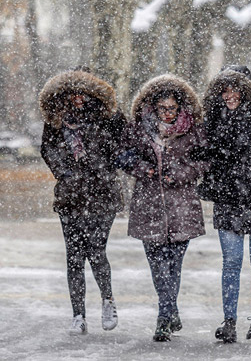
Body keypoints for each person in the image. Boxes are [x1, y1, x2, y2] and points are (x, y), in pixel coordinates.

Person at [193, 66, 251, 343]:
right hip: (228, 199)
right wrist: (209, 160)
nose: (229, 94)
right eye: (224, 89)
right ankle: (229, 322)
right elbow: (203, 156)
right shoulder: (211, 120)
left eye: (235, 88)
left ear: (246, 90)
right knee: (231, 263)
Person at [119, 74, 207, 342]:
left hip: (182, 207)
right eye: (162, 108)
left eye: (172, 108)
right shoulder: (138, 129)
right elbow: (123, 156)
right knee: (157, 266)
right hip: (149, 206)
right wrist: (145, 169)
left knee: (173, 265)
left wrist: (181, 173)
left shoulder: (193, 129)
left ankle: (164, 316)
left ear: (180, 107)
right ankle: (168, 311)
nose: (167, 113)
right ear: (152, 107)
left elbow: (205, 160)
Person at [39, 69, 126, 335]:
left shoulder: (109, 117)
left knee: (96, 250)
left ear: (93, 92)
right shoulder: (57, 120)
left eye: (83, 91)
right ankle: (78, 314)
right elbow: (48, 149)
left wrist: (104, 166)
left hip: (103, 194)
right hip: (70, 197)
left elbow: (122, 146)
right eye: (73, 92)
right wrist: (65, 172)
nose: (78, 97)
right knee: (74, 257)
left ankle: (108, 300)